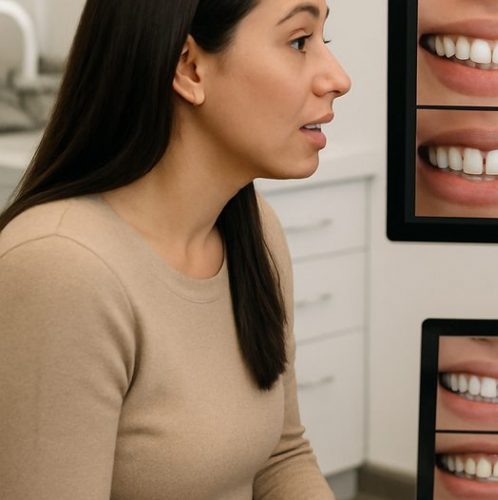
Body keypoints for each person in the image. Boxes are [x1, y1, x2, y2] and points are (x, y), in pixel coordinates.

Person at [0, 0, 350, 497]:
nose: (337, 77)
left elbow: (281, 459)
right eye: (299, 41)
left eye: (323, 41)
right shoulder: (60, 269)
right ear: (189, 67)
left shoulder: (253, 231)